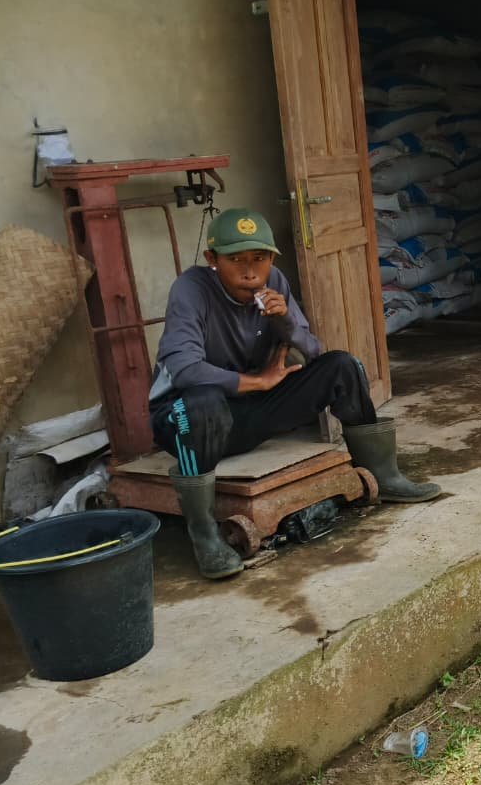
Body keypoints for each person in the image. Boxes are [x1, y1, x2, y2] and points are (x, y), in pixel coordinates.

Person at [150, 207, 440, 579]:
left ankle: (384, 476)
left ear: (271, 259)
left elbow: (313, 350)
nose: (250, 271)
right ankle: (204, 533)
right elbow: (185, 370)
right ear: (212, 259)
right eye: (235, 260)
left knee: (342, 366)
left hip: (246, 413)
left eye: (260, 258)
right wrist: (258, 382)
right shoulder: (191, 288)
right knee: (202, 401)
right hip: (186, 422)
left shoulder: (274, 283)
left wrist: (284, 320)